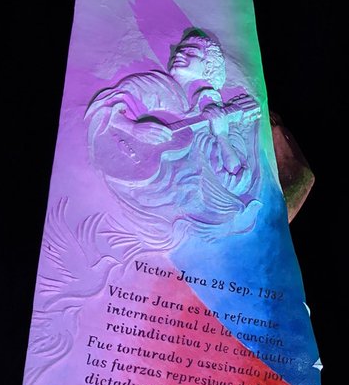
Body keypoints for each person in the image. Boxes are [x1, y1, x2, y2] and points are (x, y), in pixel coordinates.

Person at [85, 28, 265, 246]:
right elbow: (104, 107)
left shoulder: (213, 117)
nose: (180, 53)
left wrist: (222, 135)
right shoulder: (153, 86)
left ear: (209, 66)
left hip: (179, 208)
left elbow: (236, 181)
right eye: (179, 50)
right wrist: (133, 128)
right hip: (137, 190)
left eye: (191, 51)